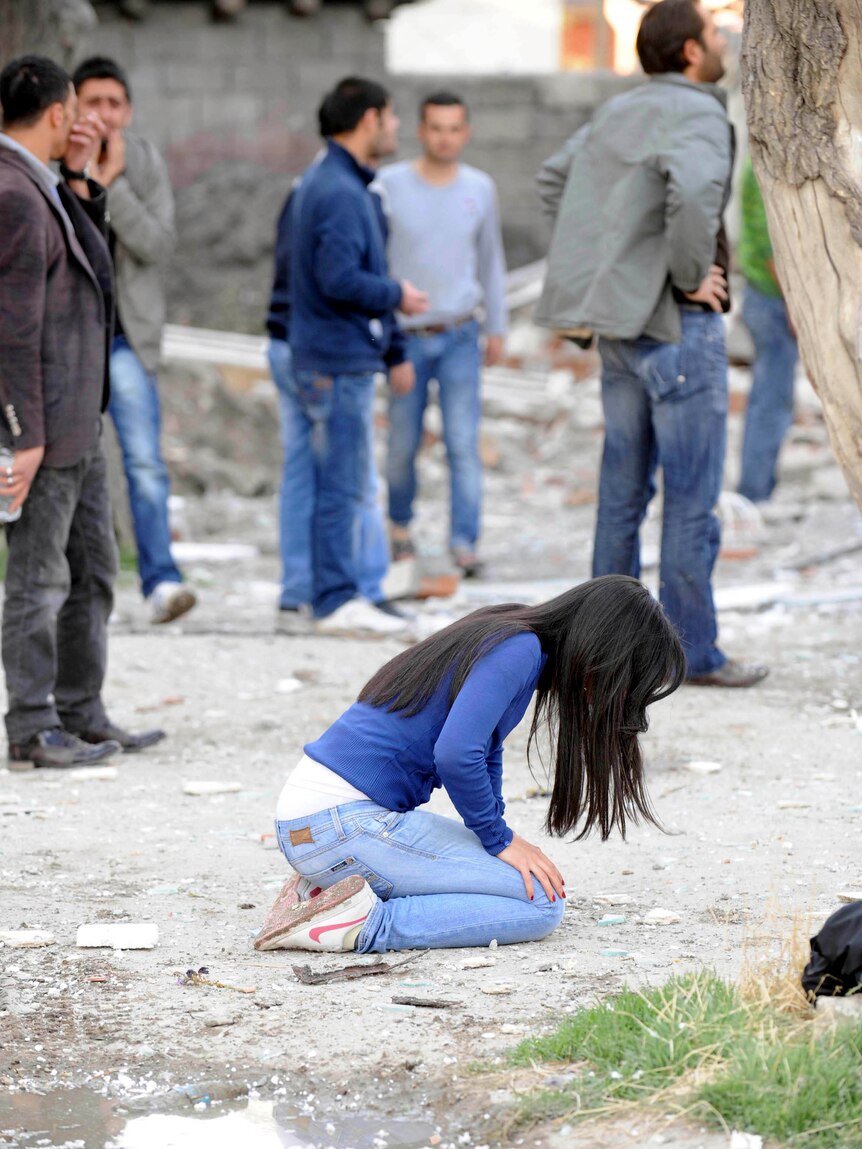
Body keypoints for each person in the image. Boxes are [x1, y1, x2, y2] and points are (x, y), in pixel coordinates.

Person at [253, 574, 685, 953]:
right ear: (601, 650)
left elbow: (484, 746)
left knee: (525, 882)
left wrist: (499, 832)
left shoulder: (510, 631)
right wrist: (497, 839)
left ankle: (323, 894)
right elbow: (457, 753)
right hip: (344, 827)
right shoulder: (519, 649)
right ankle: (361, 924)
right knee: (540, 905)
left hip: (318, 825)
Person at [534, 0, 767, 689]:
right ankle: (692, 652)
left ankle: (601, 659)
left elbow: (554, 181)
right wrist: (687, 275)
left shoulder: (619, 111)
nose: (721, 39)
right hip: (678, 330)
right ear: (690, 53)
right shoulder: (699, 111)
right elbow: (695, 196)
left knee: (620, 499)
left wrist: (619, 265)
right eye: (711, 33)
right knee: (690, 503)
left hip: (621, 337)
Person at [0, 55, 164, 769]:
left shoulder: (43, 184)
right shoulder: (10, 190)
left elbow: (94, 267)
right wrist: (21, 434)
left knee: (93, 568)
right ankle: (32, 726)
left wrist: (83, 179)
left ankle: (81, 710)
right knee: (38, 580)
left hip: (75, 418)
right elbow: (12, 327)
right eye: (75, 109)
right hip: (44, 424)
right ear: (58, 112)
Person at [288, 76, 428, 637]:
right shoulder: (340, 192)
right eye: (391, 118)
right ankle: (334, 597)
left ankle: (347, 590)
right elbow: (338, 277)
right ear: (369, 119)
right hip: (336, 358)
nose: (395, 128)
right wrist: (398, 294)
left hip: (335, 354)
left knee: (342, 482)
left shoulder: (335, 182)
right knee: (341, 486)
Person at [72, 56, 196, 626]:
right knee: (69, 466)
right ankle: (76, 587)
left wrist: (113, 184)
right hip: (69, 340)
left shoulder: (141, 161)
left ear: (128, 110)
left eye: (113, 104)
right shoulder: (54, 157)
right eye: (91, 102)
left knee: (144, 462)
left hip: (126, 340)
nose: (102, 114)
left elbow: (158, 245)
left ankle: (160, 581)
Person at [377, 92, 507, 578]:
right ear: (420, 130)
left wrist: (496, 326)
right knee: (402, 442)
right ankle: (401, 528)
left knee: (461, 441)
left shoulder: (480, 187)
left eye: (454, 128)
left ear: (466, 132)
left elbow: (491, 260)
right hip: (405, 337)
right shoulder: (389, 185)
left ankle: (464, 541)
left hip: (459, 334)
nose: (445, 137)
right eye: (436, 128)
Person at [736, 157, 798, 504]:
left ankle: (760, 486)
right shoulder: (764, 170)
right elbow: (767, 244)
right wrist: (793, 304)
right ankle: (755, 491)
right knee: (771, 399)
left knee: (774, 397)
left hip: (776, 299)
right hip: (772, 300)